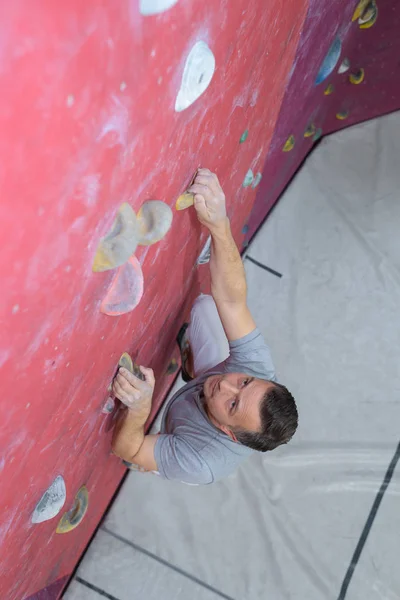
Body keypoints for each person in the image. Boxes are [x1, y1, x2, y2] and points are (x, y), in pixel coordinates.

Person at [111, 168, 298, 484]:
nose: (226, 384)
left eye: (233, 403)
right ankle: (193, 365)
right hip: (206, 381)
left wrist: (141, 410)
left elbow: (125, 447)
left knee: (144, 455)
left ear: (228, 432)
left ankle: (158, 458)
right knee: (205, 306)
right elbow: (232, 300)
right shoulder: (257, 369)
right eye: (245, 382)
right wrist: (219, 225)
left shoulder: (200, 461)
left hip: (181, 445)